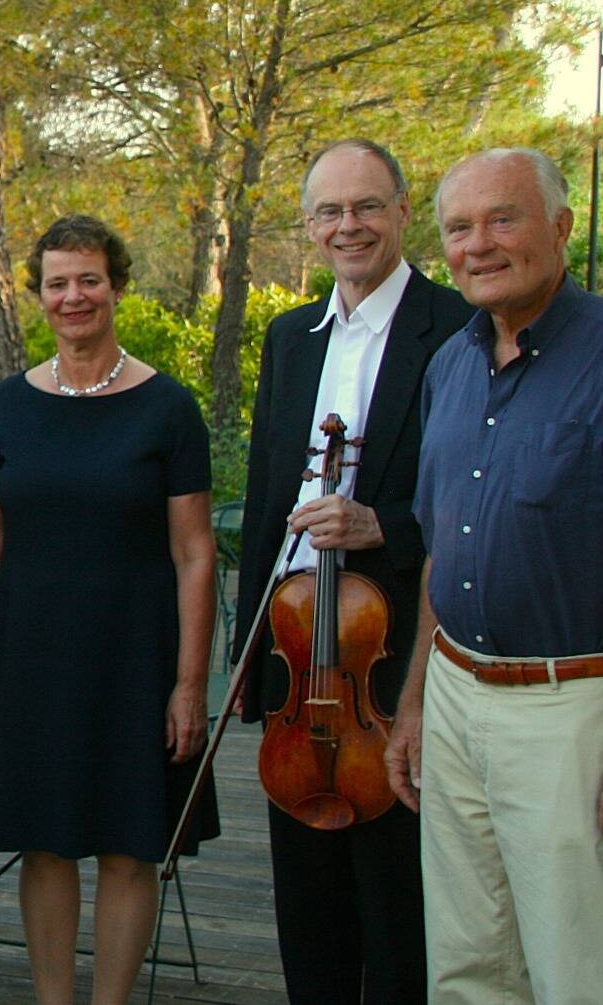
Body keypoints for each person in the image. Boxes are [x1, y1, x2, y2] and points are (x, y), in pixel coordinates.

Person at [384, 148, 603, 1004]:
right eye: (459, 228)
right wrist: (414, 702)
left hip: (574, 707)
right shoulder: (452, 364)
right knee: (468, 966)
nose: (479, 245)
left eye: (502, 219)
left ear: (561, 226)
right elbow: (445, 549)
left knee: (583, 970)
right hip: (458, 693)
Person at [0, 213, 217, 1005]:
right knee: (45, 842)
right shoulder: (7, 404)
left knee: (131, 847)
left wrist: (190, 682)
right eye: (58, 282)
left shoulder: (169, 408)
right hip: (29, 653)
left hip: (135, 652)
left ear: (117, 287)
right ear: (38, 296)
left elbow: (194, 552)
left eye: (89, 280)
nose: (74, 297)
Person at [230, 139, 468, 1003]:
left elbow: (475, 494)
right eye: (329, 211)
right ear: (309, 225)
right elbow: (266, 496)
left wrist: (383, 523)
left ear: (405, 210)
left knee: (398, 899)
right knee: (309, 897)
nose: (348, 225)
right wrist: (252, 652)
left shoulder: (456, 329)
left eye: (367, 206)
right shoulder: (292, 337)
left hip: (397, 645)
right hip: (299, 648)